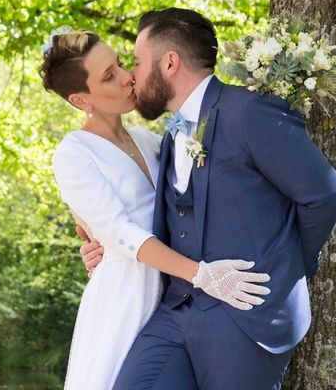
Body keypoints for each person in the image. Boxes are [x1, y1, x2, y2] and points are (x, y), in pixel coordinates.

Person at [82, 8, 336, 389]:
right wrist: (105, 249)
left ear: (170, 63)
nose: (133, 76)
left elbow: (325, 194)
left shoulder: (250, 111)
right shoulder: (170, 136)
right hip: (175, 312)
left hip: (245, 315)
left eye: (139, 62)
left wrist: (287, 266)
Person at [40, 30, 272, 390]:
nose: (127, 76)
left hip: (178, 297)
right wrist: (203, 275)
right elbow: (119, 232)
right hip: (126, 298)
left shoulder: (151, 140)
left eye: (119, 63)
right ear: (80, 99)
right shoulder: (74, 153)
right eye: (108, 76)